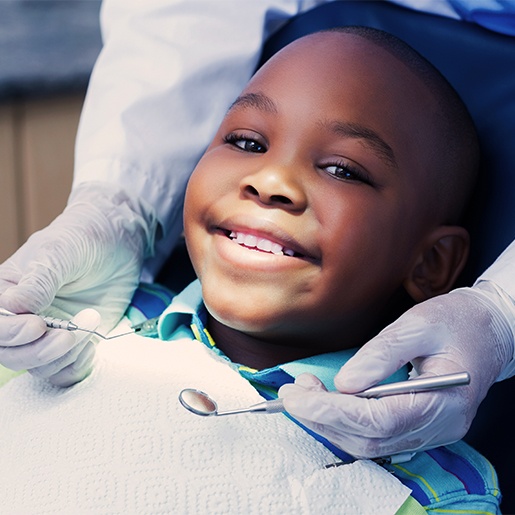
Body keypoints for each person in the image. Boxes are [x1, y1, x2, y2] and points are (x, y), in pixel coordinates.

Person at [0, 28, 502, 513]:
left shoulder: (437, 488)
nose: (271, 180)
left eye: (343, 170)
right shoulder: (75, 328)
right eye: (246, 142)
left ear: (430, 262)